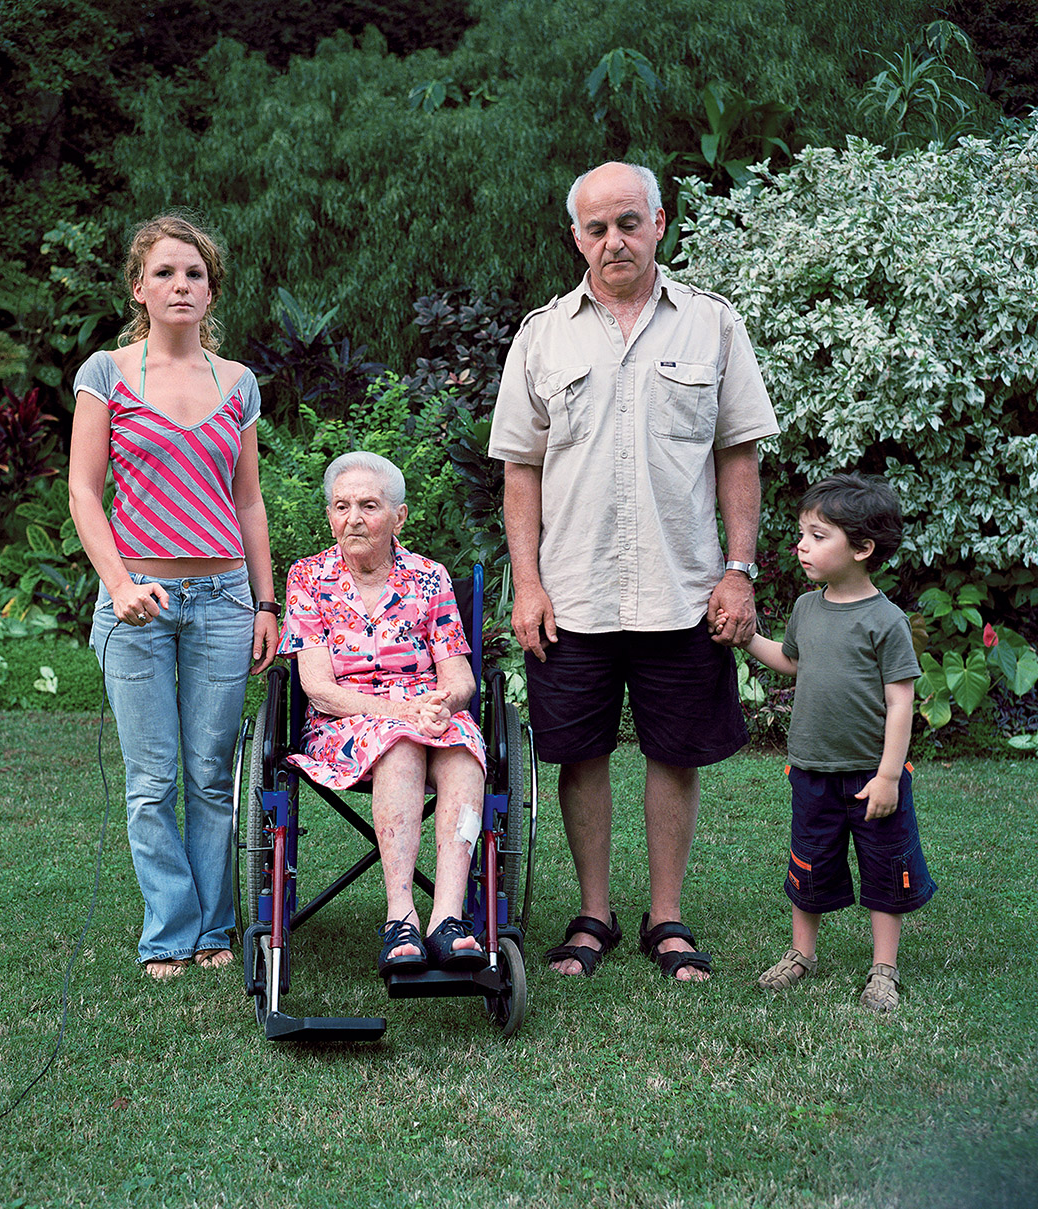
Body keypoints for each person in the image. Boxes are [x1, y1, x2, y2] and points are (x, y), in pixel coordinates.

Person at [489, 160, 779, 980]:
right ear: (576, 237)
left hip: (684, 584)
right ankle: (593, 912)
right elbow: (520, 468)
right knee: (579, 751)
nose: (613, 240)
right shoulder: (543, 334)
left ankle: (668, 914)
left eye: (628, 221)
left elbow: (739, 452)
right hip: (572, 590)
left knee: (673, 750)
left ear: (659, 222)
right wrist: (530, 583)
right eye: (596, 227)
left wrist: (738, 569)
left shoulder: (713, 325)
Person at [68, 214, 278, 980]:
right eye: (164, 273)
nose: (179, 284)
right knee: (153, 780)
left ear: (210, 289)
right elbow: (85, 494)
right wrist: (120, 586)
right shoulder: (108, 373)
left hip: (224, 599)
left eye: (193, 273)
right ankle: (168, 931)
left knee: (210, 773)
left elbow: (248, 502)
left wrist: (265, 602)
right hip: (138, 603)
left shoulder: (238, 382)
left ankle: (217, 928)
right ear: (139, 288)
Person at [724, 472, 936, 1010]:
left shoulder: (886, 622)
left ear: (862, 549)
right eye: (803, 533)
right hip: (812, 769)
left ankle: (883, 968)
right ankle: (802, 954)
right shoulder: (806, 608)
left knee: (886, 867)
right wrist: (748, 641)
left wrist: (889, 774)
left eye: (819, 536)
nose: (802, 545)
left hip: (870, 775)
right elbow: (792, 662)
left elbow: (900, 702)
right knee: (809, 861)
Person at [277, 452, 489, 975]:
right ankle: (401, 916)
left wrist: (443, 703)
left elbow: (459, 675)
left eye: (368, 506)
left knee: (464, 750)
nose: (353, 518)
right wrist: (403, 713)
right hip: (343, 724)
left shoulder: (428, 577)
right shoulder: (308, 578)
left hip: (427, 713)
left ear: (399, 517)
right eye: (341, 506)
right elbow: (318, 688)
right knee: (400, 744)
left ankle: (447, 919)